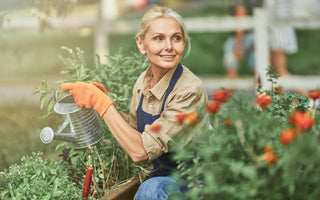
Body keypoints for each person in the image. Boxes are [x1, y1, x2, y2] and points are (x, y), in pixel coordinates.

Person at [61, 6, 208, 200]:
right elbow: (135, 130)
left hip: (194, 183)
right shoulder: (143, 81)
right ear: (141, 44)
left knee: (151, 189)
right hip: (163, 177)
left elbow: (140, 151)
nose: (169, 47)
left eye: (176, 38)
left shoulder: (189, 90)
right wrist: (105, 102)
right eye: (159, 38)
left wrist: (102, 103)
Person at [224, 0, 298, 78]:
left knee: (231, 71)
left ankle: (303, 90)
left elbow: (240, 14)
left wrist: (238, 44)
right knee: (261, 73)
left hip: (243, 37)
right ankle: (269, 89)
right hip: (257, 35)